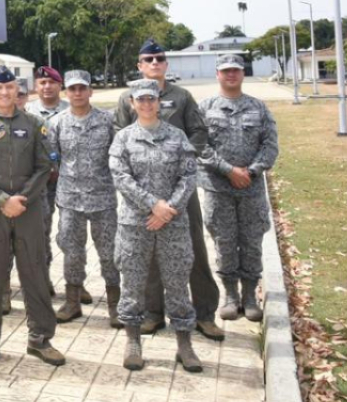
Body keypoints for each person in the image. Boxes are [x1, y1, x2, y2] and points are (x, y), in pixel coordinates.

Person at [115, 38, 223, 340]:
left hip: (180, 191)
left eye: (159, 59)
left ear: (166, 64)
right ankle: (152, 313)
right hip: (142, 196)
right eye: (147, 59)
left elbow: (199, 131)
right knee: (146, 254)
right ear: (139, 65)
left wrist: (182, 157)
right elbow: (118, 136)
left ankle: (204, 313)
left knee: (194, 250)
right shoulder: (127, 97)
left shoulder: (182, 96)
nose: (154, 63)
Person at [0, 65, 64, 367]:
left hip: (28, 208)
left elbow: (44, 165)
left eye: (10, 88)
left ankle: (41, 339)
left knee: (34, 272)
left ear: (18, 91)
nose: (5, 93)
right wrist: (1, 199)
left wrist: (21, 199)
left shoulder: (34, 124)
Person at [110, 79, 202, 373]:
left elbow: (188, 176)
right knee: (133, 284)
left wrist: (168, 210)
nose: (147, 104)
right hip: (135, 224)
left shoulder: (177, 137)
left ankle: (184, 344)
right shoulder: (122, 138)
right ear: (132, 103)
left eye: (152, 99)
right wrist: (154, 205)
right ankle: (133, 341)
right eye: (141, 99)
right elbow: (121, 177)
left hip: (172, 224)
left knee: (177, 283)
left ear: (159, 102)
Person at [198, 54, 279, 323]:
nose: (231, 74)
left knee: (252, 240)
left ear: (243, 73)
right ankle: (230, 295)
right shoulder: (205, 107)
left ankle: (249, 296)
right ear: (217, 74)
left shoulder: (259, 108)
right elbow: (199, 146)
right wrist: (228, 170)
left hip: (251, 188)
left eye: (236, 70)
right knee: (224, 241)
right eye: (226, 71)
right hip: (218, 188)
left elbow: (269, 145)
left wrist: (251, 171)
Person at [47, 70, 119, 326]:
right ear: (66, 92)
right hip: (70, 200)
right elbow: (53, 158)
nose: (77, 93)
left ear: (91, 91)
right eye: (73, 89)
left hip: (103, 199)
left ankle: (115, 304)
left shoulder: (107, 121)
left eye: (82, 88)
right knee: (72, 252)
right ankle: (72, 301)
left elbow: (117, 157)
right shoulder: (57, 123)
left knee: (110, 252)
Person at [27, 66, 71, 299]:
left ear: (59, 84)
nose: (46, 87)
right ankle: (43, 279)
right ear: (36, 86)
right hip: (38, 184)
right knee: (40, 232)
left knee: (70, 234)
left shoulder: (71, 109)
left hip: (67, 183)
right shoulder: (27, 111)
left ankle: (75, 283)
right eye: (42, 82)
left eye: (51, 82)